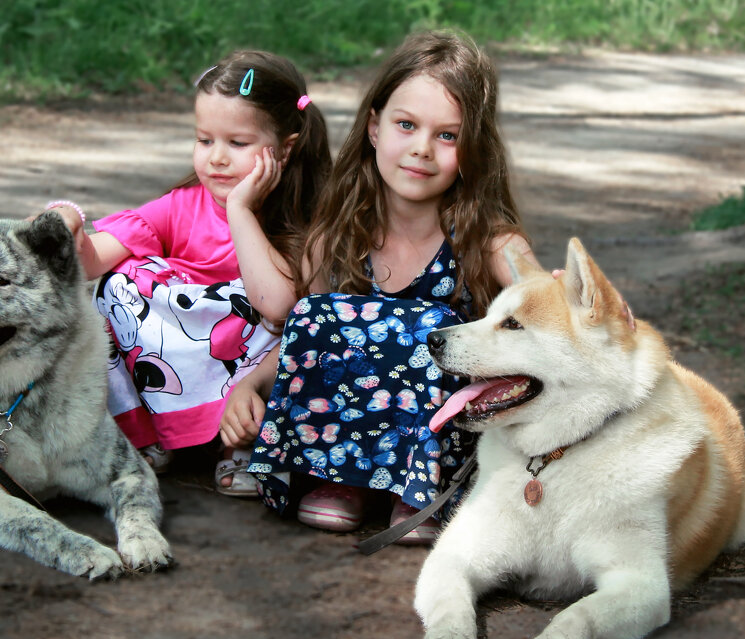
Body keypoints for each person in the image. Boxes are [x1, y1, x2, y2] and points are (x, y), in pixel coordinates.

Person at [220, 30, 538, 541]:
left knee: (435, 329)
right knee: (320, 313)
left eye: (448, 136)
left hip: (446, 441)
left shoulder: (489, 240)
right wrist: (251, 383)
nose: (421, 150)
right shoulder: (339, 236)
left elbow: (542, 296)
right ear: (374, 127)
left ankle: (417, 491)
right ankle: (345, 480)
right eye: (406, 125)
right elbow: (304, 338)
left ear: (474, 148)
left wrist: (566, 295)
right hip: (340, 440)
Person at [45, 51, 331, 496]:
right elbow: (88, 262)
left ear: (287, 148)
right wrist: (66, 224)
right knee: (118, 282)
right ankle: (151, 433)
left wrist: (239, 210)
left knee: (260, 307)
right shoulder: (181, 205)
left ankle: (240, 444)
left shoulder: (314, 222)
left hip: (256, 375)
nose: (216, 159)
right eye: (204, 140)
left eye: (237, 144)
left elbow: (278, 308)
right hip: (180, 361)